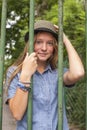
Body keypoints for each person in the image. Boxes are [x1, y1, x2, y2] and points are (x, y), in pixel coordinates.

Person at [5, 20, 85, 130]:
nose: (44, 48)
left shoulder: (58, 73)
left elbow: (78, 73)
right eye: (38, 42)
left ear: (54, 48)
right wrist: (26, 75)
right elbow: (17, 114)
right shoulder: (15, 71)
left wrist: (64, 39)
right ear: (30, 44)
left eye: (50, 43)